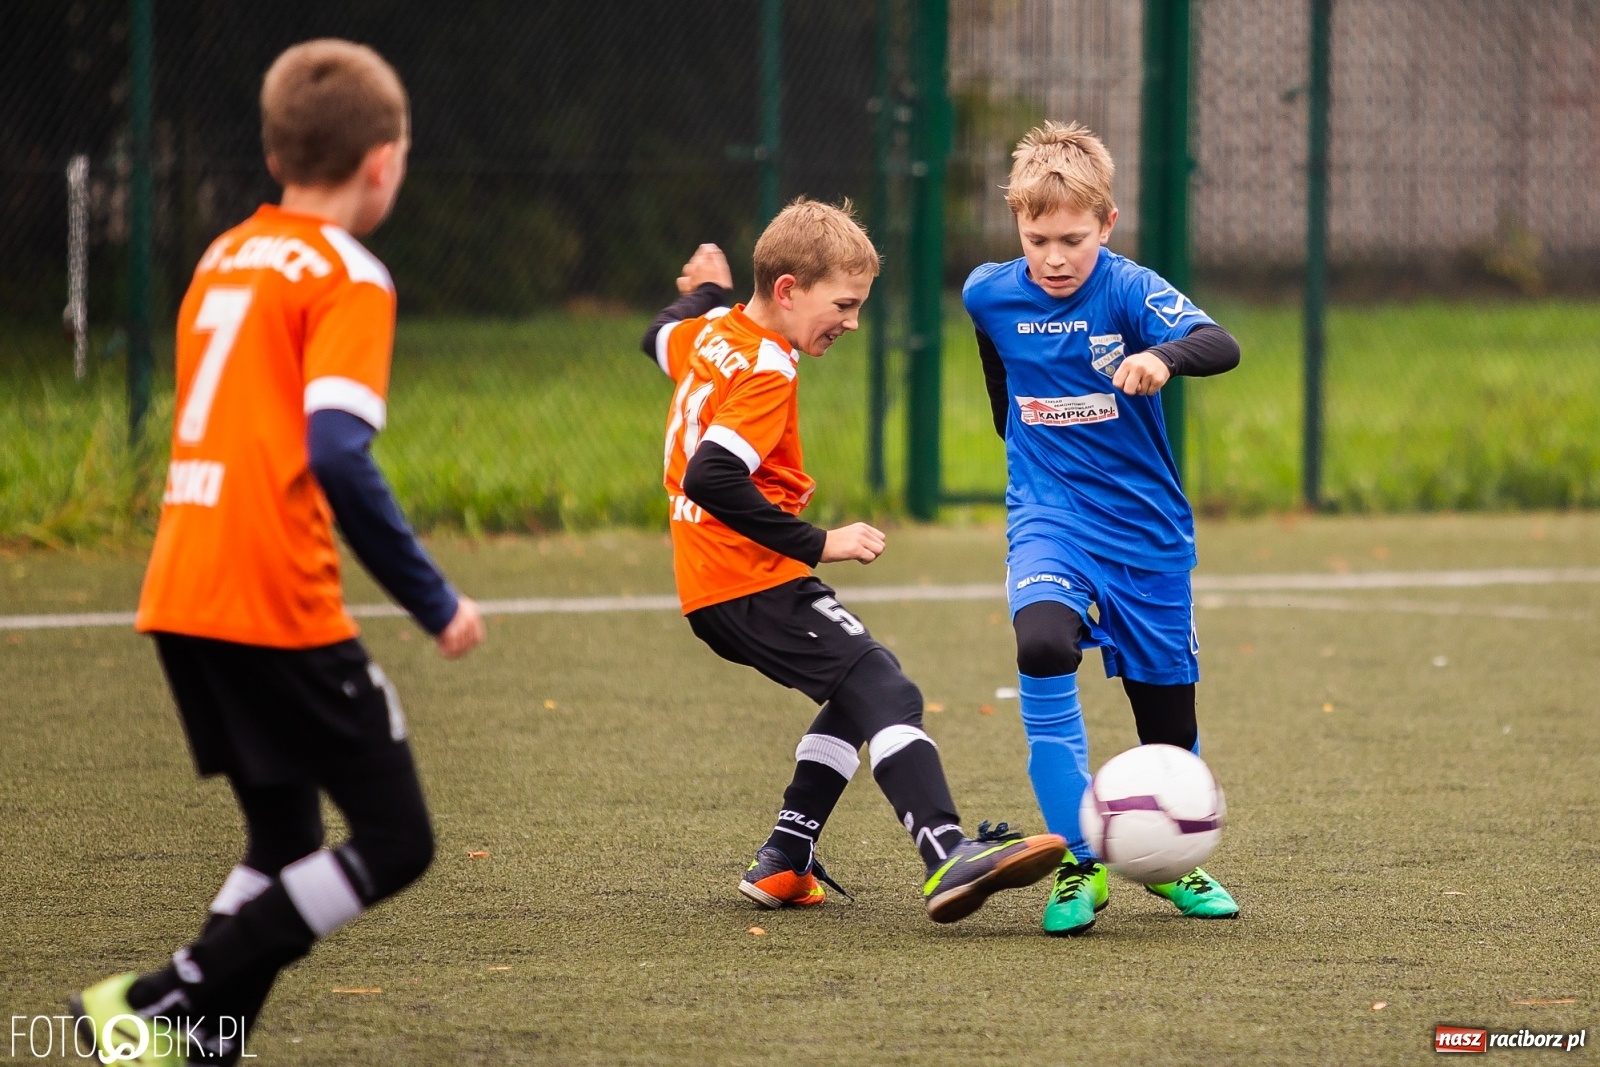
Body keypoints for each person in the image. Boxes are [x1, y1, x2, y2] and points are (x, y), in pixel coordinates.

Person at [70, 39, 485, 1064]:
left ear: (273, 151)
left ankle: (201, 1041)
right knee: (397, 840)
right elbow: (338, 452)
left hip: (183, 585)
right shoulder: (347, 272)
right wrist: (433, 600)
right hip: (271, 594)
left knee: (284, 842)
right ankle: (168, 994)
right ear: (383, 161)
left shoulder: (226, 253)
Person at [642, 199, 1065, 924]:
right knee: (886, 686)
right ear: (787, 290)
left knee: (856, 690)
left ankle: (784, 857)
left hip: (715, 583)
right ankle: (946, 851)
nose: (852, 320)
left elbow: (657, 336)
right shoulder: (769, 367)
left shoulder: (713, 332)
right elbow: (713, 475)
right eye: (842, 303)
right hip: (749, 578)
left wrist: (704, 293)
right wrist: (820, 541)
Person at [961, 122, 1242, 937]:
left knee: (1167, 719)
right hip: (1050, 516)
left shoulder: (1128, 290)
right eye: (1037, 238)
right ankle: (1077, 860)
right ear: (1018, 225)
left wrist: (1165, 359)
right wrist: (1021, 457)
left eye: (1073, 239)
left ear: (1107, 224)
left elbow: (1218, 342)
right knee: (1042, 643)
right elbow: (998, 368)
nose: (1053, 257)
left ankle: (1172, 856)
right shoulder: (988, 292)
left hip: (1148, 533)